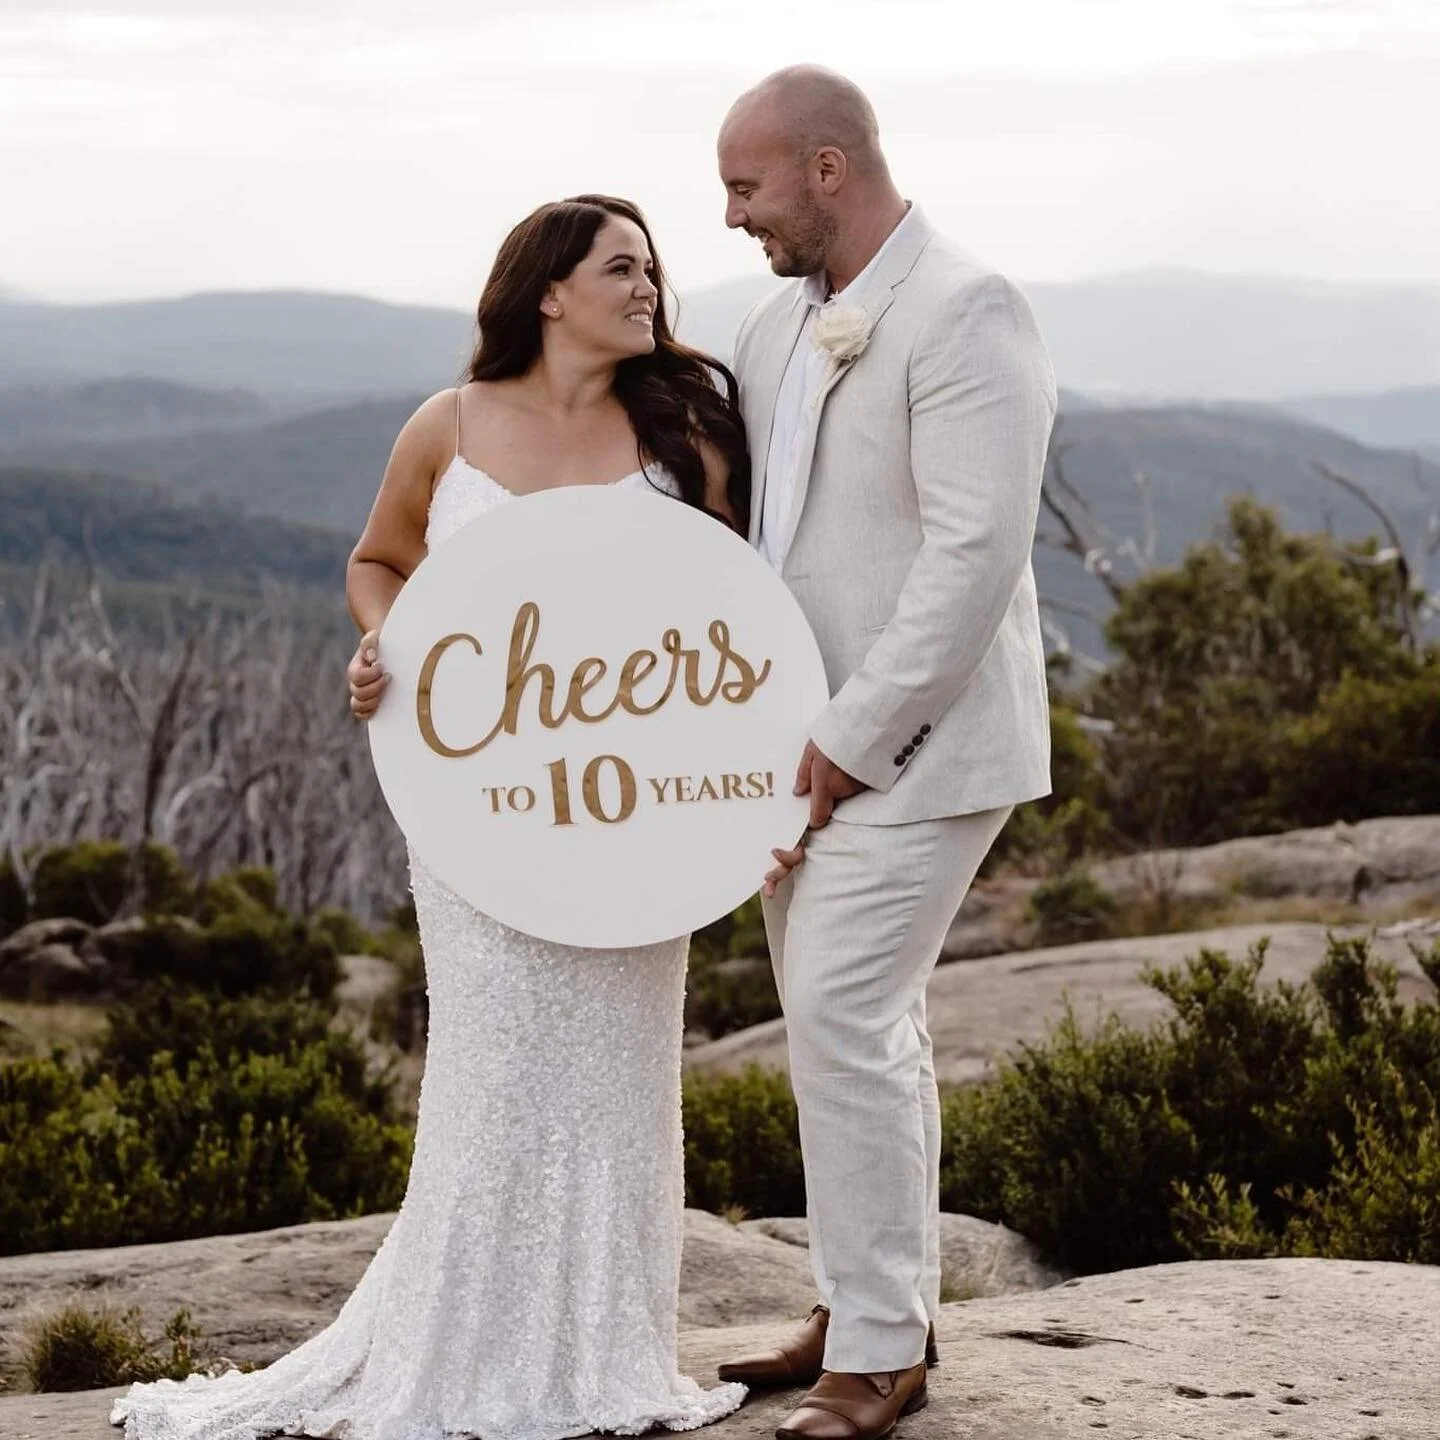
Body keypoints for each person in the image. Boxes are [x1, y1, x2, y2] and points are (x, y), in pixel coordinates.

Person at [110, 194, 751, 1440]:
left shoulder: (686, 431)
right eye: (622, 267)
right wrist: (385, 647)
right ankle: (455, 1357)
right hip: (484, 805)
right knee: (496, 1073)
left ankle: (600, 1357)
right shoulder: (446, 426)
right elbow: (377, 561)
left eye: (652, 268)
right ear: (548, 291)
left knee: (621, 1080)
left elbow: (739, 620)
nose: (649, 287)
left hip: (635, 809)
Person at [714, 67, 1057, 1440]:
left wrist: (850, 743)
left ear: (826, 170)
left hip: (920, 747)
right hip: (788, 750)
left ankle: (878, 1353)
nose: (731, 214)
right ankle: (876, 1307)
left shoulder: (969, 309)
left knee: (844, 1014)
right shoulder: (769, 329)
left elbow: (976, 557)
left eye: (746, 186)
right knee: (856, 1025)